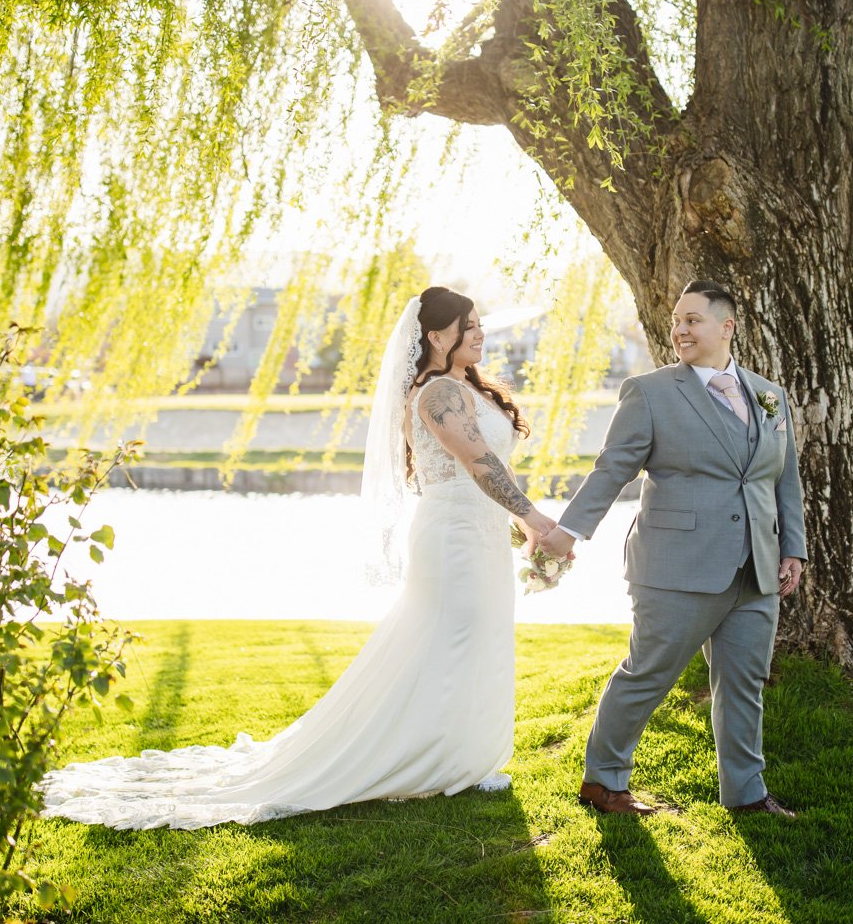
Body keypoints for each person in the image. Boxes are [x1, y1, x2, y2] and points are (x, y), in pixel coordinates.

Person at [41, 286, 557, 830]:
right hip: (451, 535)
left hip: (478, 530)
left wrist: (516, 524)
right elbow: (477, 462)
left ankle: (465, 757)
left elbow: (493, 466)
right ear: (436, 336)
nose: (480, 333)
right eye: (469, 325)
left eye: (479, 324)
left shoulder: (466, 388)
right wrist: (539, 521)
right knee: (454, 638)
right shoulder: (435, 395)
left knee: (478, 637)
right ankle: (436, 760)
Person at [538, 279, 807, 818]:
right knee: (647, 676)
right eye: (677, 320)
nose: (679, 329)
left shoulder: (767, 393)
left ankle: (746, 795)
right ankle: (604, 782)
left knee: (744, 685)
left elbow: (784, 480)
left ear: (726, 326)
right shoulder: (651, 392)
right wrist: (567, 533)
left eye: (692, 320)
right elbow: (613, 468)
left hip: (756, 568)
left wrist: (792, 549)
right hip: (674, 566)